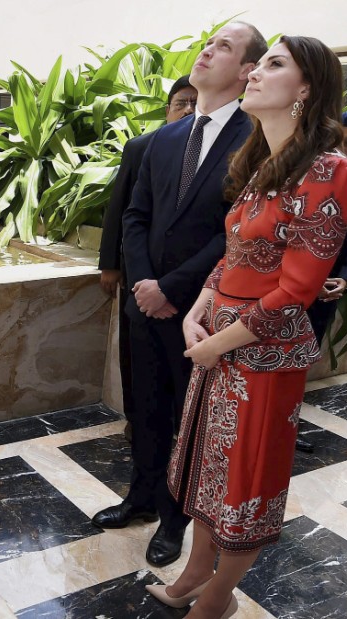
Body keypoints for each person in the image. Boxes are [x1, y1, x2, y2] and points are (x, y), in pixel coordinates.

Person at [148, 36, 347, 619]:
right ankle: (195, 572)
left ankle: (218, 598)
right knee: (205, 469)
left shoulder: (330, 170)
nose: (255, 74)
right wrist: (197, 309)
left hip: (261, 357)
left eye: (274, 64)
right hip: (218, 342)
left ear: (307, 88)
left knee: (246, 484)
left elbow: (297, 289)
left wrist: (216, 342)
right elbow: (235, 251)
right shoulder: (265, 164)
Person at [94, 21, 269, 569]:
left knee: (184, 419)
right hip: (145, 304)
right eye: (207, 43)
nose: (207, 51)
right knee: (144, 409)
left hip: (202, 311)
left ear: (246, 72)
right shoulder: (165, 138)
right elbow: (136, 214)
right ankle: (141, 498)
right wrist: (145, 284)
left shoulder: (259, 139)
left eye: (223, 47)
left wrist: (170, 289)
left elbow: (236, 230)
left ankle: (174, 519)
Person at [98, 76, 198, 442]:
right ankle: (134, 417)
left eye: (195, 103)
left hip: (189, 281)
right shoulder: (141, 147)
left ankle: (179, 424)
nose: (188, 109)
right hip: (139, 275)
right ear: (168, 109)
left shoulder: (221, 149)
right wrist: (111, 263)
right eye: (181, 102)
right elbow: (121, 208)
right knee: (134, 353)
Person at [306, 110, 347, 342]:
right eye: (335, 141)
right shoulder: (299, 178)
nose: (342, 149)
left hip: (326, 295)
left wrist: (346, 278)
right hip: (286, 293)